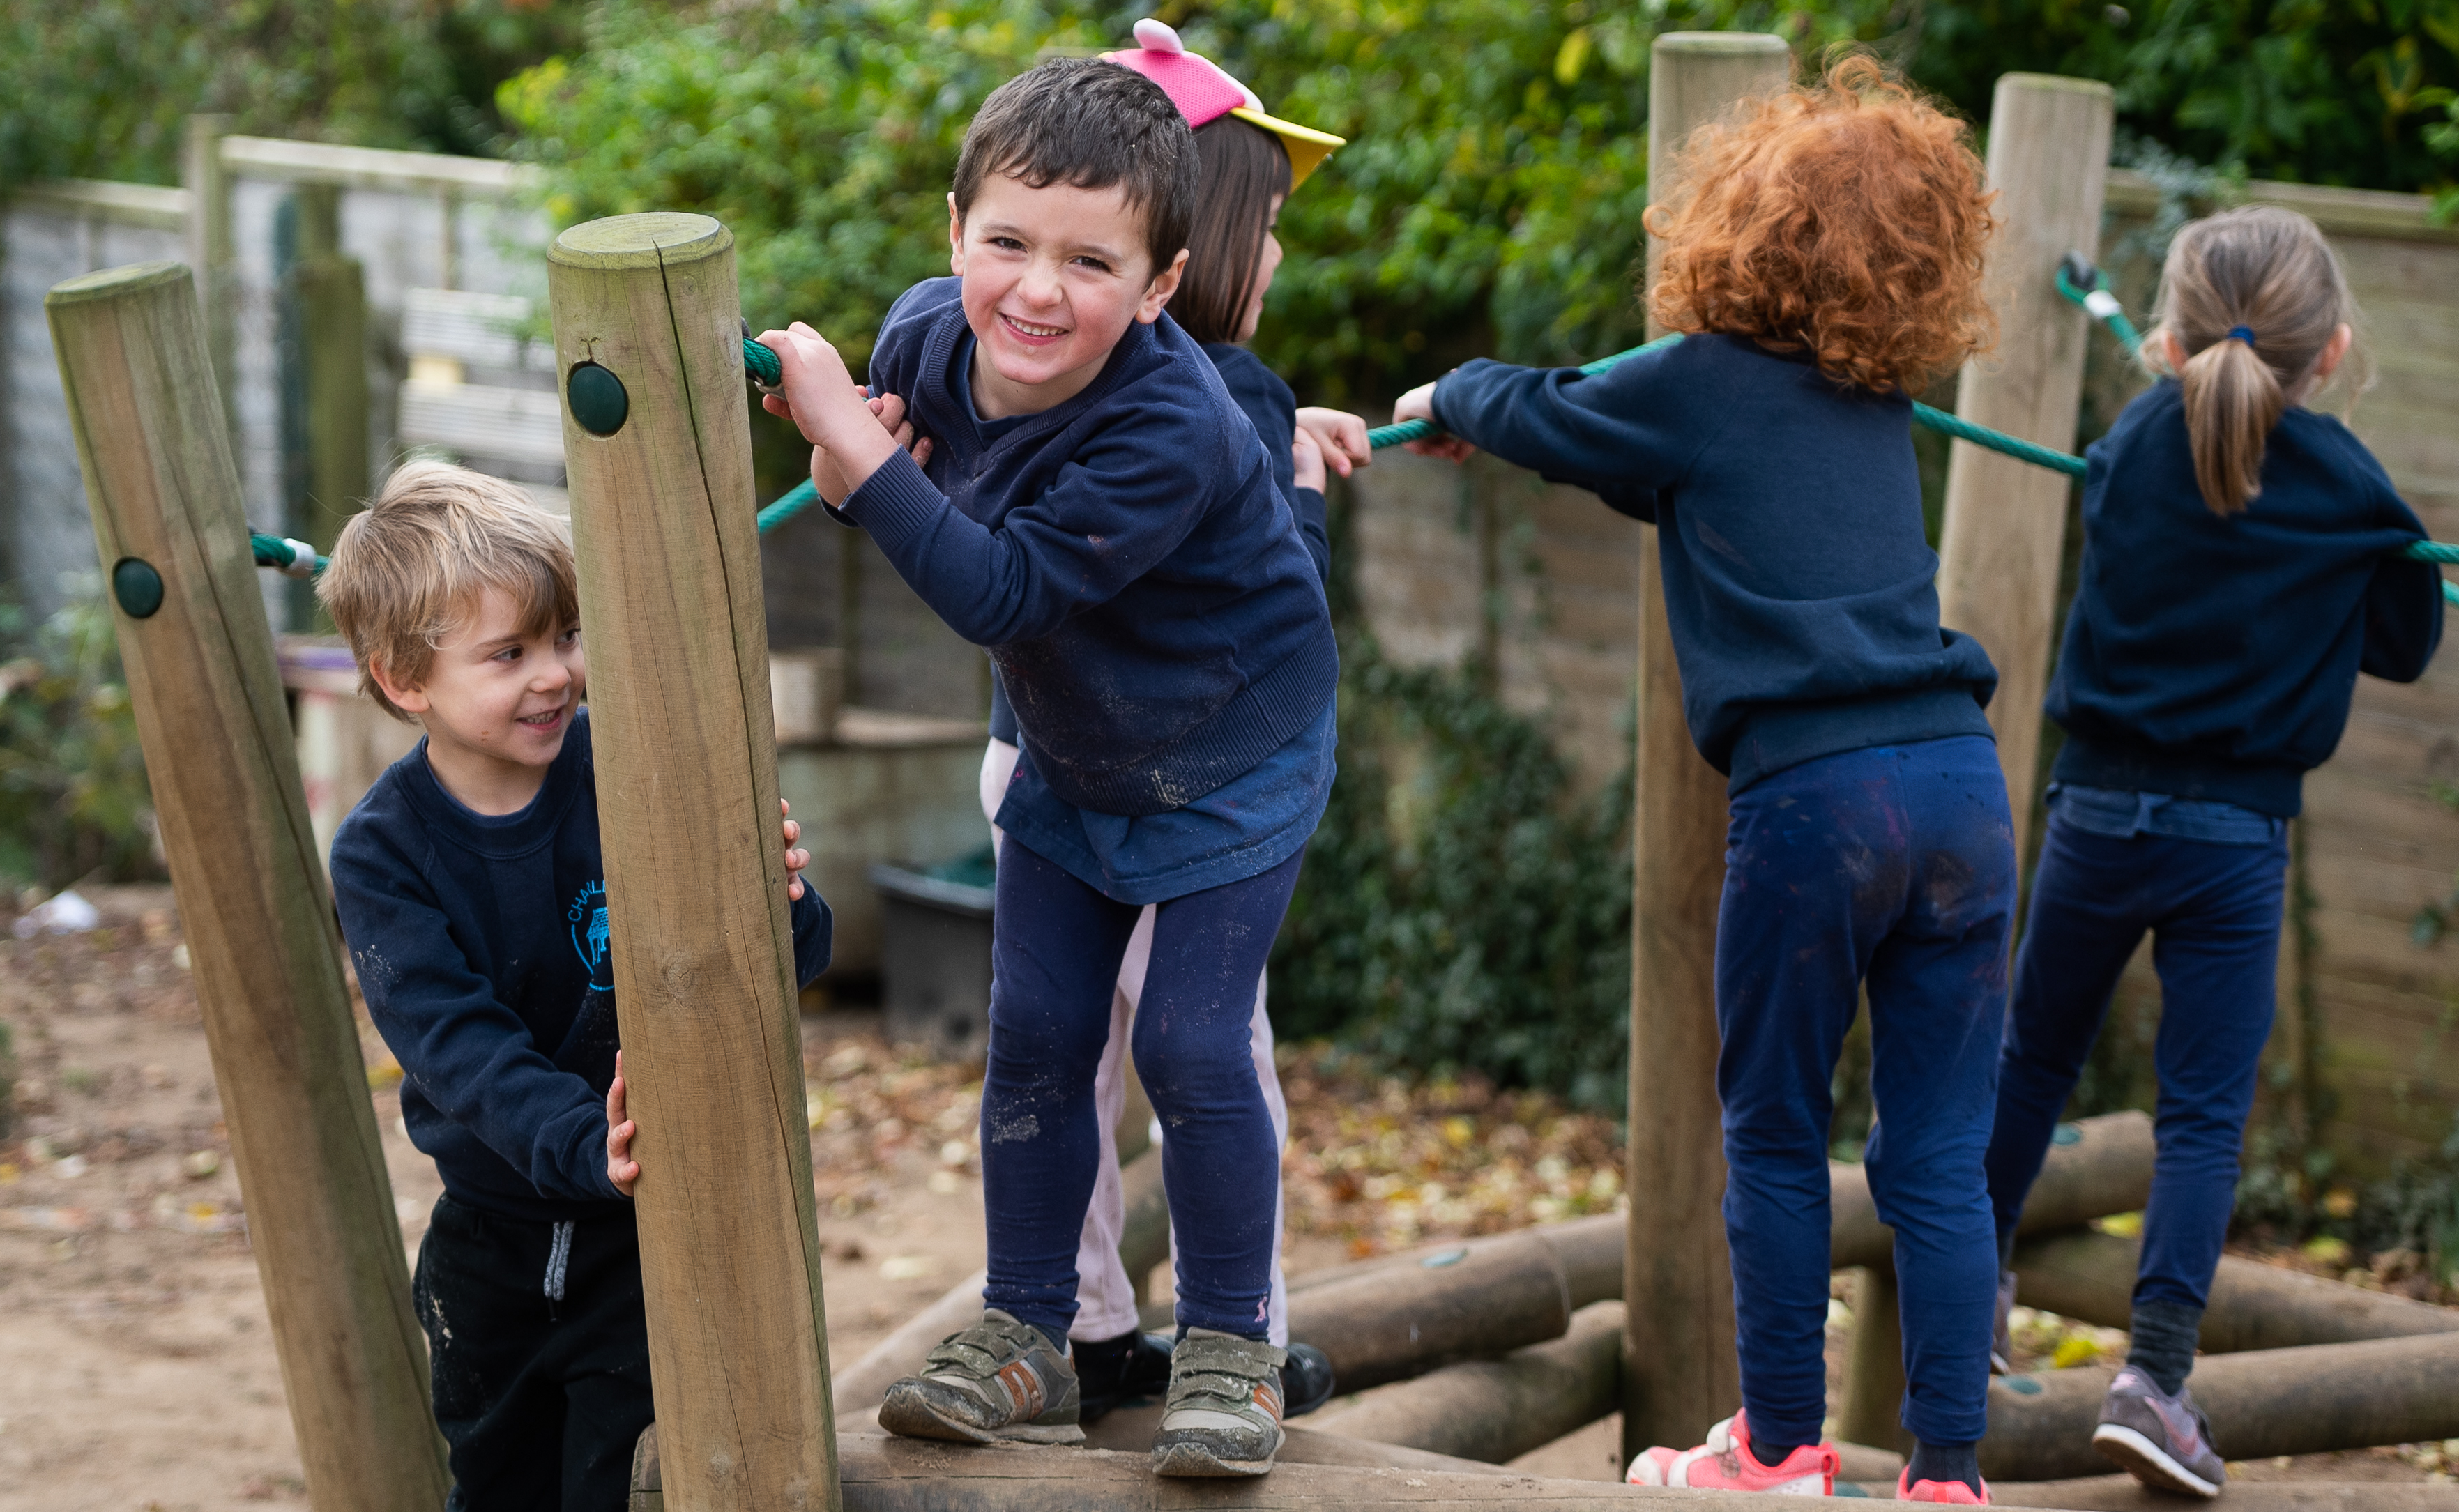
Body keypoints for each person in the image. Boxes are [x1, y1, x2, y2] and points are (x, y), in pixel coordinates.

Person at [1390, 58, 2012, 1504]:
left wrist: (1453, 392)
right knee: (1937, 1148)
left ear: (1742, 226)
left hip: (1824, 803)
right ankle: (1948, 1472)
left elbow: (1552, 409)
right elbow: (1682, 480)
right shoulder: (1875, 409)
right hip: (1963, 795)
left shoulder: (1701, 381)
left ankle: (1782, 1446)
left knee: (1779, 1127)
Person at [758, 54, 1337, 1479]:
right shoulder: (922, 340)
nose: (1035, 289)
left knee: (1193, 1046)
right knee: (1033, 1037)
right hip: (1078, 754)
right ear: (954, 228)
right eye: (1007, 241)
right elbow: (906, 500)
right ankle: (1026, 1329)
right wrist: (857, 466)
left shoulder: (1173, 426)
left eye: (1091, 261)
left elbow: (1000, 593)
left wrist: (848, 444)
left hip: (1230, 757)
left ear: (1157, 286)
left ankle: (1228, 1345)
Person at [1981, 205, 2442, 1499]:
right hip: (2230, 841)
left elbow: (2139, 547)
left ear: (2174, 339)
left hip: (2094, 813)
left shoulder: (2128, 442)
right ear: (2332, 353)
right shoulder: (2349, 483)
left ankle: (1971, 1298)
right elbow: (2405, 640)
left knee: (2031, 1060)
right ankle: (2155, 1380)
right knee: (2199, 1118)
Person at [957, 17, 1358, 1428]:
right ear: (1213, 238)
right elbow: (1281, 582)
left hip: (1043, 740)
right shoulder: (1216, 388)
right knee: (1200, 1044)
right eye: (1279, 226)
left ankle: (1086, 1323)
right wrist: (1301, 477)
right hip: (1165, 771)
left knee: (1060, 1040)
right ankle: (1225, 1329)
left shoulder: (1036, 365)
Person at [321, 463, 832, 1510]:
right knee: (499, 1484)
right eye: (508, 653)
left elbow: (776, 966)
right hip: (492, 1246)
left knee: (624, 1482)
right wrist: (579, 1141)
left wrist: (776, 900)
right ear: (404, 679)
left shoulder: (628, 764)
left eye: (565, 637)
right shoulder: (384, 852)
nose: (554, 673)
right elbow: (456, 1047)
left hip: (651, 1241)